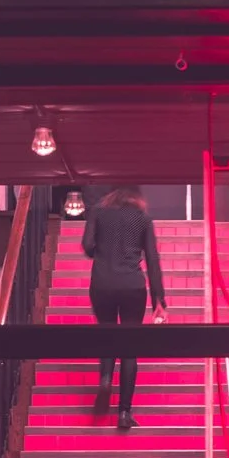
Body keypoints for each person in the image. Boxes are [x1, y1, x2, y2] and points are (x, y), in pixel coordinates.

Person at [80, 185, 167, 431]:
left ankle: (106, 379)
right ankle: (124, 413)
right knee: (129, 348)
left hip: (102, 283)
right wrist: (158, 300)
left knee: (107, 334)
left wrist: (103, 251)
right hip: (132, 286)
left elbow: (87, 247)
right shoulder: (142, 219)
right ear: (137, 198)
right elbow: (152, 259)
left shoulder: (98, 212)